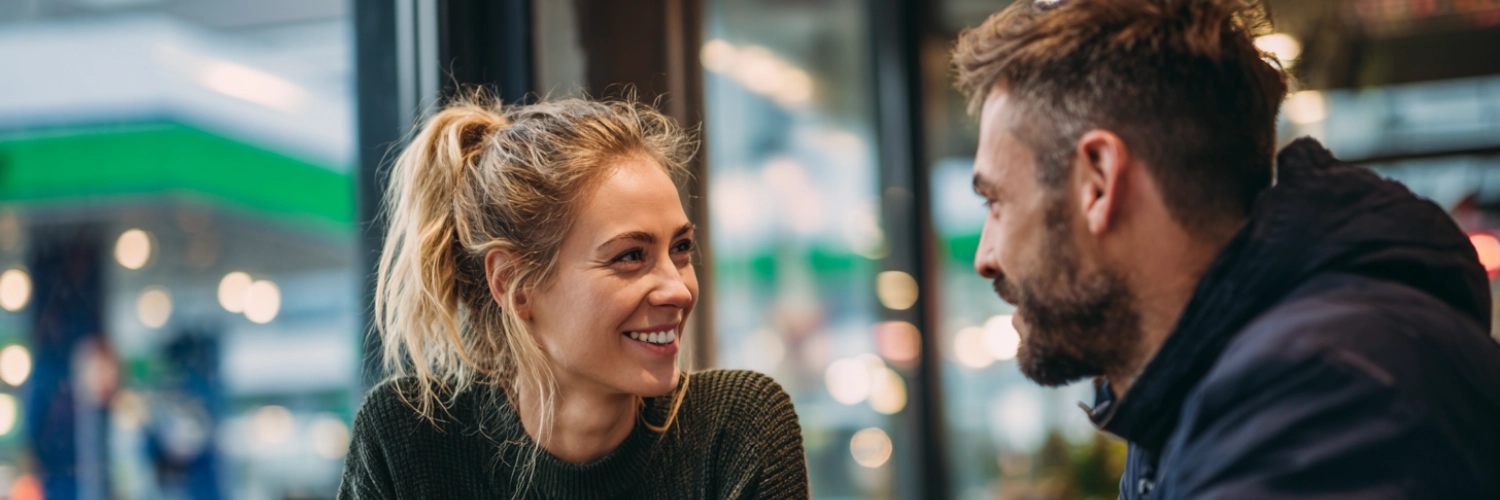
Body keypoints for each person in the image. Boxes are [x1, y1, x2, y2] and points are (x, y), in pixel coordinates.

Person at [954, 0, 1500, 498]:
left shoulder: (1318, 393)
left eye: (996, 202)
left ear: (1097, 182)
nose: (986, 257)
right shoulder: (1197, 389)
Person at [338, 94, 809, 499]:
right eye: (630, 256)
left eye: (681, 248)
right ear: (515, 286)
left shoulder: (736, 429)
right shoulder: (408, 437)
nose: (678, 289)